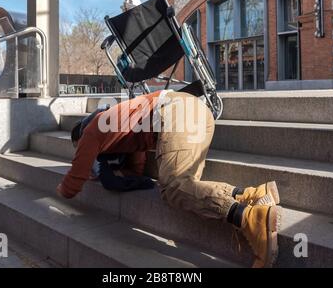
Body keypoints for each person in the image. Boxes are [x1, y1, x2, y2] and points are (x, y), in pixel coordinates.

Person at [57, 90, 282, 268]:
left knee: (173, 187)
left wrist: (58, 190)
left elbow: (73, 183)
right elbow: (137, 168)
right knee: (187, 184)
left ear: (80, 136)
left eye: (80, 149)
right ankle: (252, 194)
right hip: (193, 110)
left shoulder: (91, 130)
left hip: (177, 112)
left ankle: (249, 218)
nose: (87, 153)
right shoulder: (119, 121)